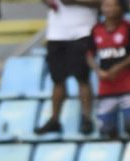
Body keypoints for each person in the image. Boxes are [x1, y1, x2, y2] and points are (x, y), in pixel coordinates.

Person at [35, 0, 98, 135]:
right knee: (57, 79)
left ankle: (86, 118)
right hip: (57, 32)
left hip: (83, 29)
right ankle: (55, 119)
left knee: (82, 77)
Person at [88, 0, 130, 139]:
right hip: (106, 87)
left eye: (114, 5)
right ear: (101, 8)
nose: (110, 9)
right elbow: (89, 55)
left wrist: (119, 67)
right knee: (107, 130)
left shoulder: (129, 27)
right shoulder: (96, 30)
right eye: (106, 5)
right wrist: (97, 70)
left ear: (120, 8)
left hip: (126, 84)